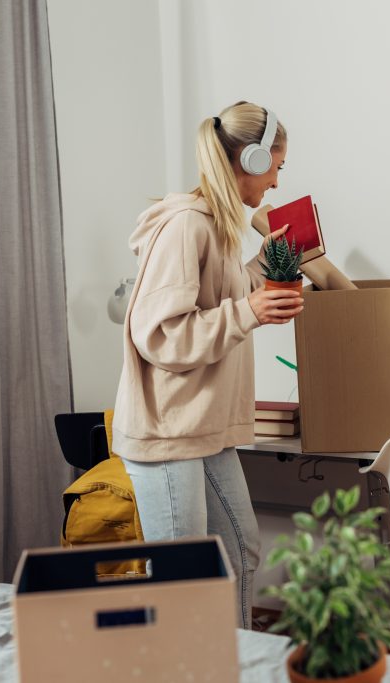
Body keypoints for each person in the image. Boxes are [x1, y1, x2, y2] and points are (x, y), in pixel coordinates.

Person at [113, 101, 302, 629]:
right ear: (255, 158)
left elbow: (223, 294)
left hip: (205, 427)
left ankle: (234, 660)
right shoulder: (186, 227)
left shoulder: (219, 226)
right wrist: (248, 311)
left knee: (239, 553)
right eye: (278, 168)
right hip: (170, 428)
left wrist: (268, 264)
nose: (277, 184)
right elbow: (162, 334)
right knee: (185, 577)